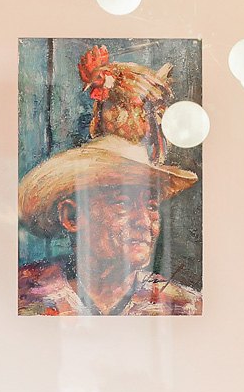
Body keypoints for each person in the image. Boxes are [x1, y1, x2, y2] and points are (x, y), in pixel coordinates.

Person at [18, 45, 202, 316]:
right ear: (71, 216)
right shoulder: (24, 297)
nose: (144, 221)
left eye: (151, 206)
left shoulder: (184, 307)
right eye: (123, 203)